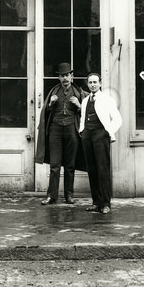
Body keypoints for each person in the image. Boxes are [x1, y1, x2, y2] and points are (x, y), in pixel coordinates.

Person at [35, 62, 87, 205]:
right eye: (62, 76)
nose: (64, 78)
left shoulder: (79, 93)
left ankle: (69, 195)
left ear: (72, 76)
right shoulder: (53, 92)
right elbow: (45, 113)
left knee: (70, 165)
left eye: (67, 75)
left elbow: (88, 112)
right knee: (55, 165)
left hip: (72, 130)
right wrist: (51, 104)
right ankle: (52, 196)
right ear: (59, 78)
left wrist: (78, 105)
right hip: (55, 130)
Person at [78, 71, 122, 214]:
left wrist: (108, 132)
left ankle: (106, 203)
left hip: (101, 136)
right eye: (90, 82)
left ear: (100, 83)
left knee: (102, 169)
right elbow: (83, 117)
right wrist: (82, 131)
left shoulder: (107, 99)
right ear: (87, 84)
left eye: (95, 82)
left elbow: (118, 119)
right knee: (92, 169)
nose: (92, 85)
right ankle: (96, 202)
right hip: (88, 137)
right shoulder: (85, 101)